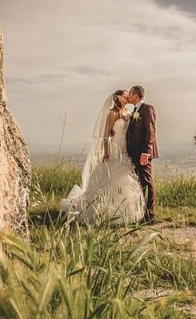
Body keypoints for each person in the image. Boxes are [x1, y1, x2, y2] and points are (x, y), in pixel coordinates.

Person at [59, 90, 145, 225]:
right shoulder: (112, 114)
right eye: (124, 94)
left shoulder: (128, 113)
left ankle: (127, 211)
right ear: (117, 97)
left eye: (128, 93)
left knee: (125, 178)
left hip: (125, 149)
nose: (127, 95)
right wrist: (106, 152)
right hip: (114, 148)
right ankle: (103, 211)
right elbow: (106, 136)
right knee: (110, 178)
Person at [125, 85, 159, 224]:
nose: (128, 96)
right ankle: (141, 210)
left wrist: (146, 152)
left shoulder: (147, 109)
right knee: (139, 182)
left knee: (147, 181)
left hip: (143, 153)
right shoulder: (135, 110)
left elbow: (150, 131)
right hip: (134, 152)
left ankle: (150, 214)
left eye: (130, 93)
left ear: (136, 95)